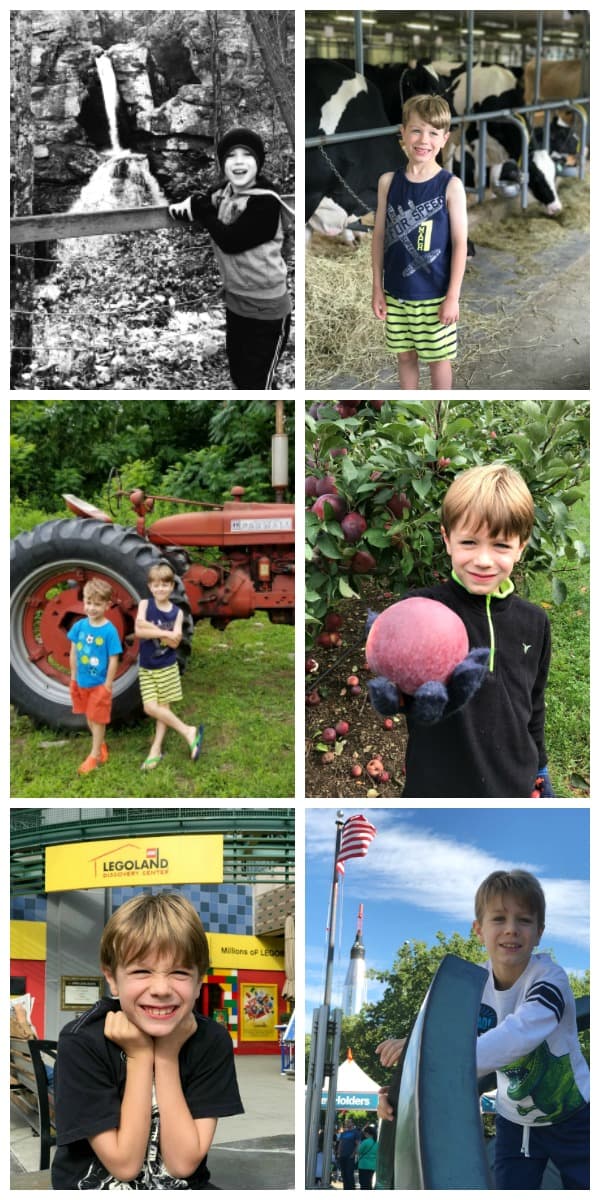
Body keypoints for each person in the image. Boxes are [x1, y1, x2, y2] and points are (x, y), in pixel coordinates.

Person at [376, 869, 590, 1190]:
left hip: (573, 1117)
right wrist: (408, 1065)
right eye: (499, 919)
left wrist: (431, 1067)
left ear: (540, 932)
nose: (511, 930)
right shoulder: (470, 988)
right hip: (515, 1123)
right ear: (478, 930)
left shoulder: (549, 979)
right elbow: (445, 1035)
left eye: (524, 920)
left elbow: (519, 1034)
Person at [370, 463, 553, 798]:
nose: (483, 559)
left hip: (514, 784)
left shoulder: (534, 622)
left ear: (522, 546)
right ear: (447, 539)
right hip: (437, 787)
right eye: (469, 542)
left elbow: (533, 703)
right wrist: (400, 700)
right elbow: (401, 684)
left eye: (501, 546)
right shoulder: (421, 610)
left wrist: (539, 769)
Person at [52, 891, 244, 1189]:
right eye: (141, 971)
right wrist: (140, 1056)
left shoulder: (211, 1040)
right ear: (112, 979)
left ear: (199, 982)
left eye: (179, 972)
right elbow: (125, 1165)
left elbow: (182, 1164)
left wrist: (166, 1055)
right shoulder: (82, 1042)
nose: (161, 988)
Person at [168, 126, 293, 390]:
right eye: (230, 156)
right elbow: (204, 200)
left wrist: (203, 212)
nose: (238, 161)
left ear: (258, 163)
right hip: (236, 303)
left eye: (246, 155)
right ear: (222, 164)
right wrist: (194, 204)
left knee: (258, 383)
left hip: (267, 310)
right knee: (239, 374)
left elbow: (232, 241)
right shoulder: (225, 193)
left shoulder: (265, 202)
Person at [371, 94, 468, 390]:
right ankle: (410, 413)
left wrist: (453, 296)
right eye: (415, 130)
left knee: (439, 360)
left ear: (444, 139)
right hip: (397, 294)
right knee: (405, 358)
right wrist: (377, 288)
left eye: (433, 133)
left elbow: (460, 243)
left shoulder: (450, 186)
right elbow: (378, 236)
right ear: (402, 133)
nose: (423, 140)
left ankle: (438, 415)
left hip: (435, 295)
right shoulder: (388, 182)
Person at [135, 563, 203, 770]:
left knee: (163, 709)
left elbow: (176, 642)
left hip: (166, 667)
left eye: (165, 585)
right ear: (150, 587)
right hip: (146, 667)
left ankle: (155, 750)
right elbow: (138, 630)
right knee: (150, 708)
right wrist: (165, 633)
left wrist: (152, 629)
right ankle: (188, 731)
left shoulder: (177, 613)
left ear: (172, 587)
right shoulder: (145, 605)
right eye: (156, 585)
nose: (160, 589)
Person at [68, 577, 122, 775]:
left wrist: (107, 684)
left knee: (97, 719)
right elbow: (73, 652)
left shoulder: (110, 631)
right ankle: (101, 744)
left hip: (99, 684)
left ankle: (94, 755)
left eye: (97, 604)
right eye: (88, 603)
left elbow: (114, 658)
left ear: (107, 605)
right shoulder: (79, 626)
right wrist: (73, 677)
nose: (92, 608)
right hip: (81, 681)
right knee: (90, 718)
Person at [336, 1116, 361, 1189]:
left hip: (350, 1156)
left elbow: (358, 1144)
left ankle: (351, 1189)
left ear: (352, 1123)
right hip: (342, 1156)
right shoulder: (343, 1133)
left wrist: (353, 1154)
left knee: (349, 1174)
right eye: (346, 1122)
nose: (347, 1123)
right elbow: (340, 1143)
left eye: (349, 1122)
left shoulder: (356, 1132)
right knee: (343, 1174)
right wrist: (338, 1153)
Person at [357, 1123, 378, 1189]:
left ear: (367, 1133)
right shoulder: (376, 1143)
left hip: (363, 1166)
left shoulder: (365, 1142)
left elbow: (358, 1151)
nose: (364, 1134)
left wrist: (358, 1145)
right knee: (369, 1183)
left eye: (365, 1133)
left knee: (363, 1184)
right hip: (372, 1166)